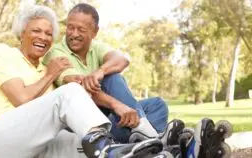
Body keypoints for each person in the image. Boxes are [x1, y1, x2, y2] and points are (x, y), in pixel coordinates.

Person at [0, 5, 165, 158]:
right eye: (36, 31)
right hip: (0, 142)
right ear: (22, 32)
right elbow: (21, 99)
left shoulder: (46, 66)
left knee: (89, 146)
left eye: (49, 33)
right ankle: (134, 140)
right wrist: (51, 75)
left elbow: (117, 63)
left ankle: (159, 150)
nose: (43, 37)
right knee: (72, 91)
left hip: (39, 146)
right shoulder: (3, 53)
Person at [42, 3, 175, 144]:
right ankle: (150, 136)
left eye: (81, 29)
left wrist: (100, 71)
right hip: (79, 126)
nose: (74, 34)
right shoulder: (56, 53)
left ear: (94, 32)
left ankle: (141, 139)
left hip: (105, 122)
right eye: (70, 27)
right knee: (112, 78)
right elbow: (78, 89)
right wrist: (117, 105)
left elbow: (121, 60)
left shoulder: (96, 47)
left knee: (157, 105)